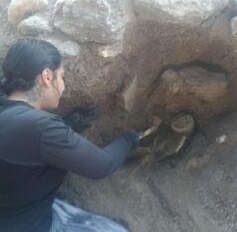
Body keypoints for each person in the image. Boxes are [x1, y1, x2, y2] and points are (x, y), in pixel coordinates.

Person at [0, 39, 140, 232]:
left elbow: (23, 145)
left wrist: (69, 124)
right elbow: (102, 165)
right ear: (47, 77)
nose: (63, 86)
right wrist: (128, 139)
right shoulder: (42, 128)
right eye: (62, 77)